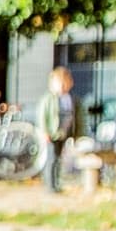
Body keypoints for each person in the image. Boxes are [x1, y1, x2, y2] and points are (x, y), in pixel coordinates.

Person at [38, 63, 84, 194]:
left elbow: (78, 117)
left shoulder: (71, 99)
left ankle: (57, 183)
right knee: (51, 159)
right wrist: (45, 131)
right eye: (60, 83)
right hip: (53, 134)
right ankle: (50, 185)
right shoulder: (49, 99)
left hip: (65, 133)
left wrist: (77, 133)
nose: (63, 86)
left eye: (65, 83)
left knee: (59, 159)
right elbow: (43, 116)